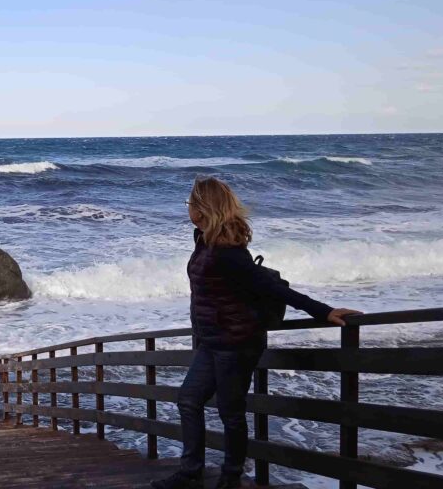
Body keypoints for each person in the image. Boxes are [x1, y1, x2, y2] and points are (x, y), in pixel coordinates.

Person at [153, 177, 361, 489]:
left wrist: (323, 311)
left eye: (190, 204)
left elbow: (271, 287)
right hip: (213, 341)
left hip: (236, 344)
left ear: (202, 208)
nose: (188, 210)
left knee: (230, 411)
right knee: (189, 399)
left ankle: (230, 477)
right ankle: (190, 470)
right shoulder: (205, 240)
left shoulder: (228, 252)